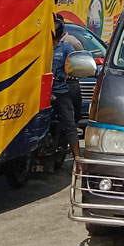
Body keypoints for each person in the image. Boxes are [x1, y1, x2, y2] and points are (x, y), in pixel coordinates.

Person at [49, 16, 80, 168]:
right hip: (42, 92)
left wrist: (70, 73)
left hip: (60, 91)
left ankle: (78, 160)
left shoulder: (67, 48)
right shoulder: (41, 47)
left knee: (70, 124)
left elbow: (77, 64)